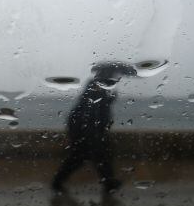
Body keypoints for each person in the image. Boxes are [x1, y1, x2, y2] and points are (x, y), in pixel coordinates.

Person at [51, 61, 135, 194]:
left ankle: (108, 182)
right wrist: (93, 131)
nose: (116, 77)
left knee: (86, 156)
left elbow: (99, 106)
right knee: (94, 155)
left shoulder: (101, 85)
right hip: (86, 128)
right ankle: (108, 183)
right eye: (114, 74)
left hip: (88, 127)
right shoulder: (96, 85)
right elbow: (91, 108)